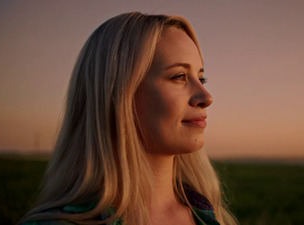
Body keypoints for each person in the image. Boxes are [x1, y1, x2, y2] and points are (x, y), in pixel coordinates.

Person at [19, 12, 238, 225]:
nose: (206, 97)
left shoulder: (212, 216)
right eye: (179, 76)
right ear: (118, 93)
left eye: (201, 78)